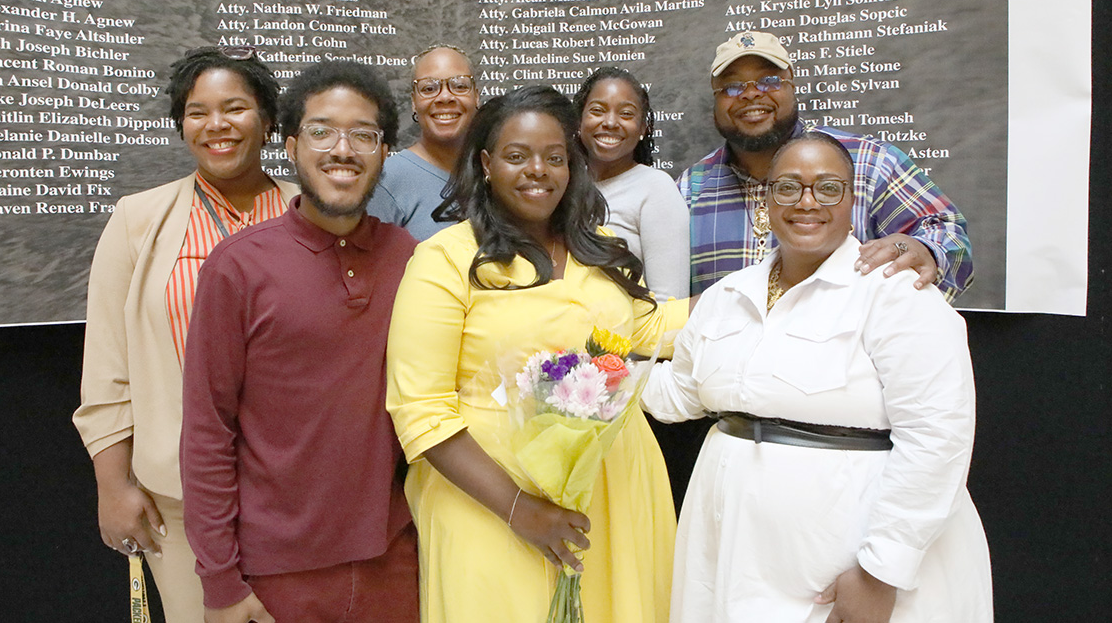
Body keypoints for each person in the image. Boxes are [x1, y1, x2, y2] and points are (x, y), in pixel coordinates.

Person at [643, 132, 993, 623]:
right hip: (732, 554)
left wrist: (881, 570)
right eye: (788, 187)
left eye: (828, 188)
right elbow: (678, 394)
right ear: (767, 200)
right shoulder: (727, 296)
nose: (807, 202)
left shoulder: (896, 292)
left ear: (852, 200)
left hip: (847, 561)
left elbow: (938, 436)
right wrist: (588, 377)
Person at [385, 86, 688, 623]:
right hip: (491, 500)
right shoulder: (444, 260)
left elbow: (652, 331)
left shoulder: (596, 248)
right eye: (517, 155)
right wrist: (519, 510)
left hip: (612, 488)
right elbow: (421, 409)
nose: (538, 171)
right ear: (485, 163)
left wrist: (770, 284)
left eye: (555, 157)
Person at [179, 61, 420, 623]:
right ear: (289, 146)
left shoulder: (410, 258)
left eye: (364, 134)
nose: (343, 149)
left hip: (396, 560)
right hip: (275, 574)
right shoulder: (238, 267)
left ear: (384, 152)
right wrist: (220, 581)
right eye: (321, 131)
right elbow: (208, 431)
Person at [72, 45, 295, 623]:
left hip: (301, 493)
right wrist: (113, 486)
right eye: (198, 112)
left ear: (268, 120)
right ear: (181, 124)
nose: (216, 125)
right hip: (181, 497)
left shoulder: (313, 211)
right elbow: (107, 366)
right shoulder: (138, 220)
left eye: (236, 108)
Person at [680, 31, 974, 300]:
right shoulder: (690, 190)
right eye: (732, 86)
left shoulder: (869, 163)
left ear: (792, 84)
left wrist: (926, 252)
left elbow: (950, 238)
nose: (751, 93)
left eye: (769, 80)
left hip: (849, 353)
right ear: (715, 99)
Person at [574, 67, 690, 301]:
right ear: (578, 121)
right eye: (597, 110)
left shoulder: (655, 188)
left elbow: (669, 302)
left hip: (629, 336)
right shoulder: (561, 187)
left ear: (642, 128)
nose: (610, 122)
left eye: (626, 114)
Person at [367, 44, 477, 240]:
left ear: (476, 96)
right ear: (413, 102)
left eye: (459, 86)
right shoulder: (386, 181)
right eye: (429, 88)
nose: (445, 97)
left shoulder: (494, 172)